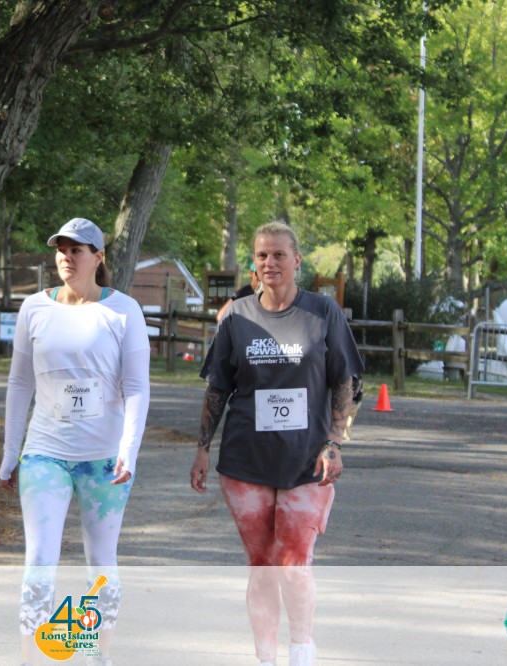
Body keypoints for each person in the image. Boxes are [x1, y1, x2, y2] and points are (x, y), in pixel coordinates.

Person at [190, 221, 364, 666]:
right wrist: (202, 446)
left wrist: (334, 442)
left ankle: (301, 647)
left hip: (306, 460)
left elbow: (344, 381)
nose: (270, 263)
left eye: (279, 255)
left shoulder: (323, 312)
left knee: (294, 561)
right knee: (262, 564)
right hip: (245, 460)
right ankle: (265, 657)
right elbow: (217, 387)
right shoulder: (237, 317)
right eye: (262, 255)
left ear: (297, 261)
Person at [0, 218, 150, 666]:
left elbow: (137, 387)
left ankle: (95, 655)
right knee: (40, 560)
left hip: (104, 459)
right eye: (61, 249)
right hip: (45, 453)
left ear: (98, 257)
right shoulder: (34, 308)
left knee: (100, 561)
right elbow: (19, 384)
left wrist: (128, 452)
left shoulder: (123, 310)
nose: (66, 256)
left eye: (77, 249)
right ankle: (31, 659)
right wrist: (10, 452)